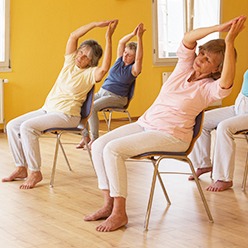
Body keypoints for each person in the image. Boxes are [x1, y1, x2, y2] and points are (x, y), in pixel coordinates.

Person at [84, 15, 246, 232]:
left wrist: (230, 42)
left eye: (208, 60)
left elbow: (227, 82)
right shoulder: (184, 68)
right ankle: (108, 204)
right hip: (146, 124)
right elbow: (189, 38)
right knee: (98, 146)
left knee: (113, 150)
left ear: (217, 69)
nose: (201, 58)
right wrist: (220, 28)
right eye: (203, 53)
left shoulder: (209, 89)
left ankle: (119, 212)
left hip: (172, 136)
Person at [2, 20, 118, 189]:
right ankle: (21, 167)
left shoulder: (90, 74)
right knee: (12, 125)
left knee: (27, 127)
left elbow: (105, 67)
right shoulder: (69, 63)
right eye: (80, 52)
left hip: (67, 115)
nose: (80, 56)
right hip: (47, 110)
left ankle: (35, 171)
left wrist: (108, 37)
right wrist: (94, 25)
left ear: (91, 62)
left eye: (86, 56)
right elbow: (73, 35)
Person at [76, 23, 145, 149]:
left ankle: (95, 139)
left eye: (129, 55)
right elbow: (120, 42)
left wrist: (139, 38)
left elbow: (140, 57)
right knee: (82, 103)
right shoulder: (119, 60)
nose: (125, 55)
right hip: (103, 92)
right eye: (125, 52)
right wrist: (133, 34)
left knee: (92, 108)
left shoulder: (134, 69)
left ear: (134, 58)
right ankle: (85, 136)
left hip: (118, 97)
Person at [188, 69, 248, 192]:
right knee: (201, 120)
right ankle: (202, 164)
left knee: (224, 127)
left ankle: (224, 178)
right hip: (239, 107)